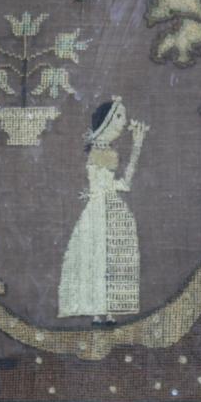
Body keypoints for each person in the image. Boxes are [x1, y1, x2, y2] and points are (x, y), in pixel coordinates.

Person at [58, 96, 149, 325]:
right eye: (119, 116)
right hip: (101, 210)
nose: (123, 122)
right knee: (99, 256)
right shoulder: (100, 151)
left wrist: (137, 146)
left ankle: (105, 311)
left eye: (123, 117)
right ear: (106, 121)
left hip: (107, 207)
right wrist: (136, 146)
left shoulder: (106, 151)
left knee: (106, 257)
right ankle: (99, 312)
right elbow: (109, 185)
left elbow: (123, 184)